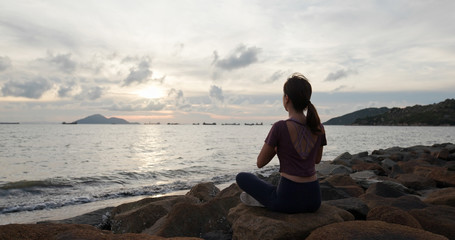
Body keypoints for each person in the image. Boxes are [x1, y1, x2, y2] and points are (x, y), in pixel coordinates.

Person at [236, 72, 326, 214]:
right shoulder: (318, 127)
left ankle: (261, 200)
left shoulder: (280, 127)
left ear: (286, 98)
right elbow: (317, 160)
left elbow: (260, 162)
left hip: (287, 201)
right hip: (314, 200)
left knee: (242, 177)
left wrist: (278, 149)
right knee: (271, 189)